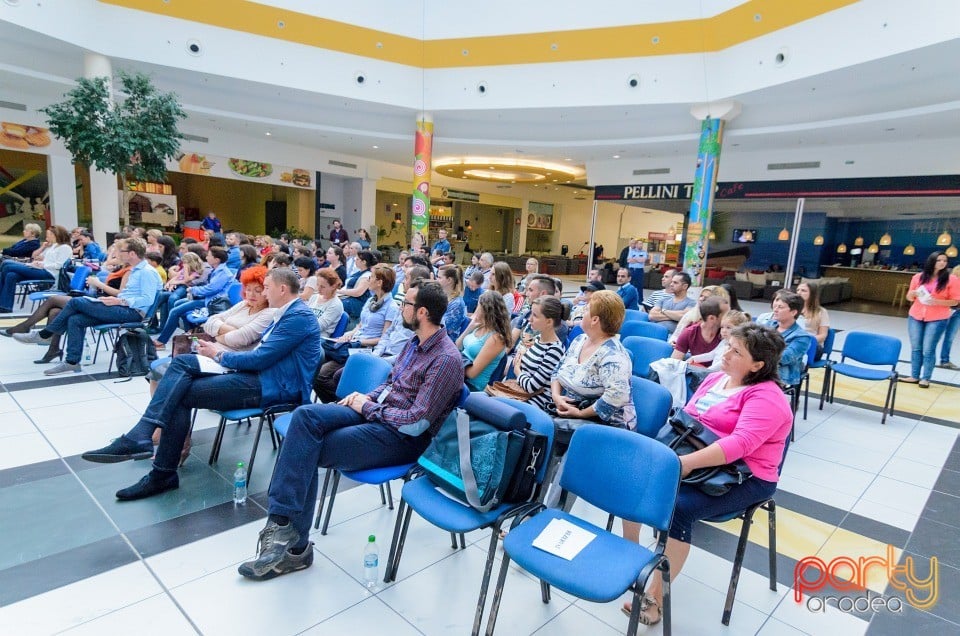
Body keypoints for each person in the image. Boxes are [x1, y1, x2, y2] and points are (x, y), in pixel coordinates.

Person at [238, 280, 463, 580]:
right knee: (305, 419)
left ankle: (293, 547)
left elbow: (415, 422)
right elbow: (391, 382)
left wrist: (367, 407)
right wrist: (367, 396)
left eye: (406, 305)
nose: (400, 311)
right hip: (379, 415)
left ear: (421, 312)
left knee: (308, 447)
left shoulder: (446, 359)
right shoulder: (414, 343)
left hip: (403, 438)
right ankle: (283, 528)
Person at [79, 268, 321, 500]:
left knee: (180, 389)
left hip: (273, 387)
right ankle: (150, 449)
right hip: (260, 377)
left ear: (281, 289)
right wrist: (221, 353)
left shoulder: (297, 317)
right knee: (182, 370)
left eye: (266, 288)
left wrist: (219, 354)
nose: (264, 294)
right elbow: (255, 352)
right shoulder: (286, 313)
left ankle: (155, 460)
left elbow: (260, 358)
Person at [621, 323, 793, 626]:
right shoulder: (715, 379)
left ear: (758, 365)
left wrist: (684, 465)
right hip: (699, 459)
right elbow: (687, 421)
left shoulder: (768, 398)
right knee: (635, 482)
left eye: (736, 351)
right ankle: (631, 557)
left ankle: (656, 599)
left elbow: (739, 445)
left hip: (745, 476)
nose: (725, 354)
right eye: (728, 346)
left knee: (679, 509)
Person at [14, 237, 162, 375]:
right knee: (76, 320)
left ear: (132, 254)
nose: (118, 254)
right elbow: (130, 294)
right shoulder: (136, 270)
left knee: (76, 302)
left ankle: (46, 334)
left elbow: (147, 299)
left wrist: (120, 301)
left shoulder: (146, 272)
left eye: (121, 251)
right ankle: (72, 361)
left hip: (132, 312)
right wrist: (115, 299)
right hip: (123, 307)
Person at [547, 290, 636, 431]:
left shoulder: (613, 355)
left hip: (605, 426)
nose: (582, 309)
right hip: (571, 415)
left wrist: (580, 413)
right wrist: (556, 396)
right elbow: (558, 370)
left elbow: (617, 397)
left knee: (543, 429)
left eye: (587, 308)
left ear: (595, 320)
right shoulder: (580, 340)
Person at [314, 265, 398, 402]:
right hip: (353, 343)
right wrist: (350, 334)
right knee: (316, 366)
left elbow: (384, 338)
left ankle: (343, 402)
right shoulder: (371, 300)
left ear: (379, 282)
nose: (368, 280)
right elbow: (360, 324)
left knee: (321, 376)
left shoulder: (391, 307)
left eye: (371, 278)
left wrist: (357, 342)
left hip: (364, 348)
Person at [154, 247, 234, 350]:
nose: (206, 257)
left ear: (216, 259)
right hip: (206, 298)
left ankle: (161, 342)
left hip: (212, 302)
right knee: (178, 303)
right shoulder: (217, 270)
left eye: (209, 255)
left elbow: (211, 289)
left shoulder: (223, 272)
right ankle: (190, 332)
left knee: (175, 311)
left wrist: (193, 290)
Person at [903, 251, 960, 387]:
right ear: (931, 261)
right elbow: (909, 298)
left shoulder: (952, 279)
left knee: (928, 349)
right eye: (939, 260)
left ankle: (926, 378)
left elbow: (956, 301)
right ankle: (914, 375)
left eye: (945, 261)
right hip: (915, 315)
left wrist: (937, 302)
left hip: (937, 318)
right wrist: (912, 293)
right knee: (916, 347)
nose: (942, 263)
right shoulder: (918, 277)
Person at [0, 225, 72, 313]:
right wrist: (36, 261)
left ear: (55, 235)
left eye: (48, 235)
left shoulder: (65, 248)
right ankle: (5, 306)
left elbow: (59, 265)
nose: (46, 237)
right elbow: (39, 257)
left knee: (7, 265)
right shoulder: (54, 246)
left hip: (49, 273)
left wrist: (43, 264)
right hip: (40, 268)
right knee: (11, 275)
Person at [511, 296, 566, 411]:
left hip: (535, 404)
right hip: (520, 395)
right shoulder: (537, 340)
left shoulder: (555, 349)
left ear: (549, 322)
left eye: (535, 315)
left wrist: (517, 371)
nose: (530, 319)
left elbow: (531, 386)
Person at [456, 290, 512, 391]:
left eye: (478, 306)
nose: (476, 309)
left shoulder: (496, 338)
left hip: (471, 386)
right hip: (460, 375)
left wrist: (455, 359)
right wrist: (469, 328)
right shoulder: (479, 326)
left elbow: (472, 373)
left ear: (485, 310)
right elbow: (457, 347)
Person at [764, 291, 811, 389]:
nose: (775, 310)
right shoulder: (769, 325)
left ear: (793, 312)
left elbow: (784, 358)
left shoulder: (802, 337)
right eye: (775, 306)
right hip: (763, 367)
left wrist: (759, 352)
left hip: (782, 374)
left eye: (780, 307)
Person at [672, 296, 725, 362]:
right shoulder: (689, 333)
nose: (730, 316)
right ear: (712, 318)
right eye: (726, 314)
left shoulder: (729, 333)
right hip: (696, 369)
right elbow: (674, 361)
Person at [338, 249, 377, 320]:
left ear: (364, 262)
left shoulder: (367, 275)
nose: (355, 260)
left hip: (357, 302)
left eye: (357, 259)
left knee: (336, 304)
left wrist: (339, 291)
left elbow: (358, 292)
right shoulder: (358, 272)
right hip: (348, 298)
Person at [307, 268, 345, 337]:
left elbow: (318, 327)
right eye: (317, 285)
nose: (318, 289)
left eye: (322, 287)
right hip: (306, 333)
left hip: (319, 338)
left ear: (333, 286)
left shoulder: (335, 304)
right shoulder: (314, 297)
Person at [796, 281, 830, 360]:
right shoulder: (792, 309)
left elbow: (823, 335)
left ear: (812, 294)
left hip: (812, 345)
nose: (799, 293)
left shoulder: (821, 312)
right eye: (798, 290)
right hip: (794, 342)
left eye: (803, 290)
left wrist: (805, 340)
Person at [938, 265, 960, 370]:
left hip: (957, 312)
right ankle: (940, 360)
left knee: (949, 337)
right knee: (934, 336)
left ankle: (945, 360)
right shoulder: (951, 281)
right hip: (947, 310)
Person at [439, 264, 466, 340]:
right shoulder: (442, 296)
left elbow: (444, 328)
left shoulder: (457, 304)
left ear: (449, 280)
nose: (436, 280)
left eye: (439, 277)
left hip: (446, 342)